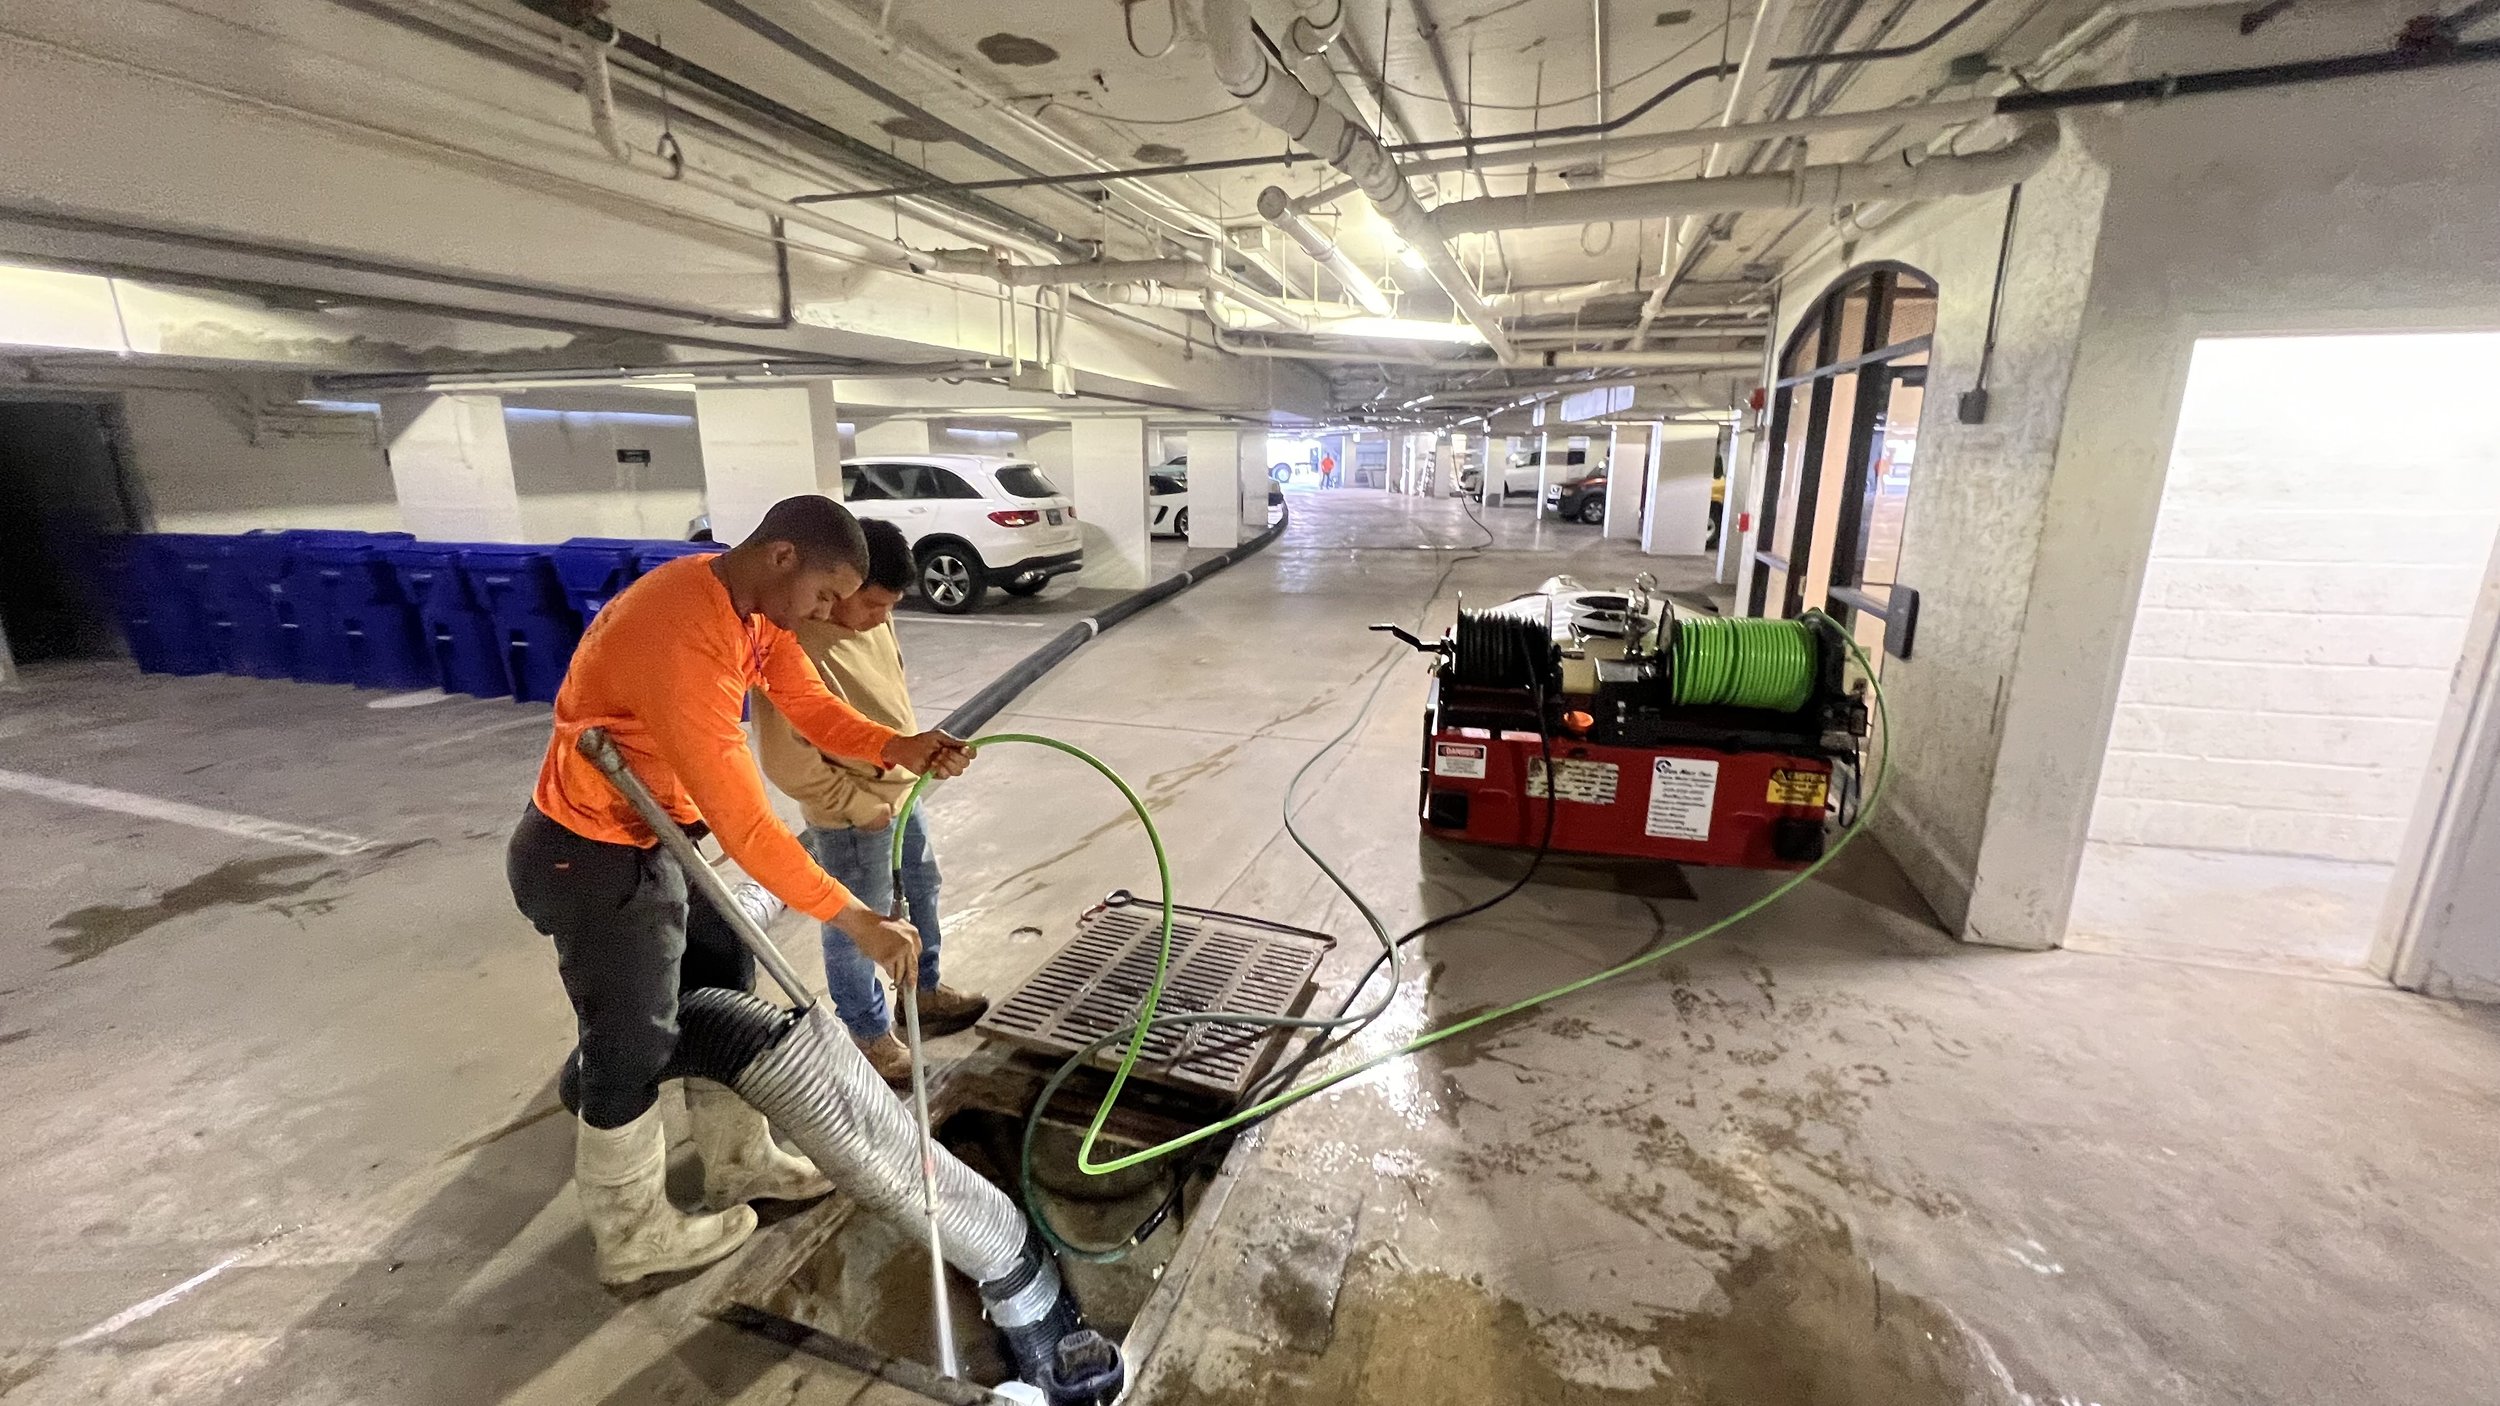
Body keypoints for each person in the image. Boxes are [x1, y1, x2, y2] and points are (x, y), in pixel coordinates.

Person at [506, 495, 974, 1286]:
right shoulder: (685, 636)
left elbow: (812, 707)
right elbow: (750, 829)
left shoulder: (750, 612)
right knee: (633, 1043)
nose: (828, 615)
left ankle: (739, 1163)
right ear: (782, 557)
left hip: (654, 840)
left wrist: (898, 744)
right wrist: (856, 918)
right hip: (589, 855)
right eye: (826, 595)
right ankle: (631, 1235)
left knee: (722, 979)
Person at [754, 519, 990, 1083]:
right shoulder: (792, 644)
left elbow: (887, 705)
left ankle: (924, 991)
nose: (882, 619)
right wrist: (856, 806)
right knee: (860, 922)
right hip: (851, 815)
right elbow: (784, 760)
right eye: (873, 605)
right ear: (839, 587)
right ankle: (866, 1033)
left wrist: (920, 754)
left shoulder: (874, 620)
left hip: (900, 794)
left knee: (923, 889)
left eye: (891, 606)